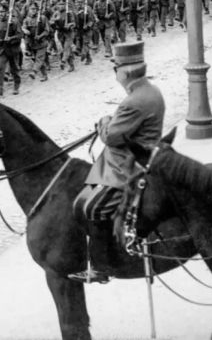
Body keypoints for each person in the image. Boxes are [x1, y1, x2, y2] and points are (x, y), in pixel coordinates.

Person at [69, 40, 165, 284]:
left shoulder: (133, 101)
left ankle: (101, 267)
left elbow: (111, 137)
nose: (115, 74)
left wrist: (103, 122)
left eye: (116, 69)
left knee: (93, 208)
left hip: (130, 166)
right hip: (137, 156)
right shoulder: (149, 91)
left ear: (124, 72)